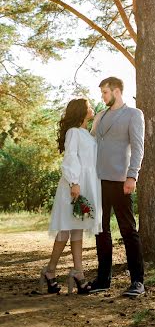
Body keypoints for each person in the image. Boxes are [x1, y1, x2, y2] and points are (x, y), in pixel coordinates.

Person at [88, 76, 145, 297]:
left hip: (121, 181)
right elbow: (91, 144)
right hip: (97, 180)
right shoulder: (100, 116)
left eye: (105, 92)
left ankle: (137, 281)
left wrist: (133, 176)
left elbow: (138, 148)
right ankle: (103, 279)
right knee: (101, 231)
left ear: (117, 91)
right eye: (102, 92)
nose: (102, 96)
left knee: (128, 231)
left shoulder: (133, 114)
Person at [41, 98, 102, 295]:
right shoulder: (73, 132)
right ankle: (50, 271)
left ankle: (78, 272)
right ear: (81, 112)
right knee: (65, 231)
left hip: (88, 182)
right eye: (89, 106)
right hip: (73, 184)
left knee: (78, 229)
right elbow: (70, 157)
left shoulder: (88, 134)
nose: (92, 108)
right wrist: (74, 182)